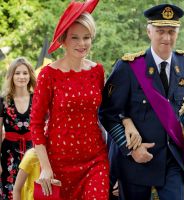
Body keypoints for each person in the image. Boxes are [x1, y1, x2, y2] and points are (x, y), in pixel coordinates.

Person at [99, 4, 184, 200]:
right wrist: (131, 149)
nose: (166, 38)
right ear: (149, 31)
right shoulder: (128, 67)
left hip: (172, 159)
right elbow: (107, 113)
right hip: (136, 162)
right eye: (160, 31)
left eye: (171, 31)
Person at [30, 0, 110, 199]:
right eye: (75, 37)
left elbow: (109, 112)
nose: (82, 44)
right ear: (63, 40)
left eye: (86, 37)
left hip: (95, 160)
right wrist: (46, 168)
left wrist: (127, 124)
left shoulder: (98, 71)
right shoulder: (48, 74)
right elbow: (36, 124)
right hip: (57, 164)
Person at [0, 57, 36, 199]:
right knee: (9, 192)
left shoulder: (38, 98)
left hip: (32, 153)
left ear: (30, 75)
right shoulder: (3, 100)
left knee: (31, 191)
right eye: (18, 73)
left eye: (25, 73)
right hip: (8, 154)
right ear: (11, 76)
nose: (22, 77)